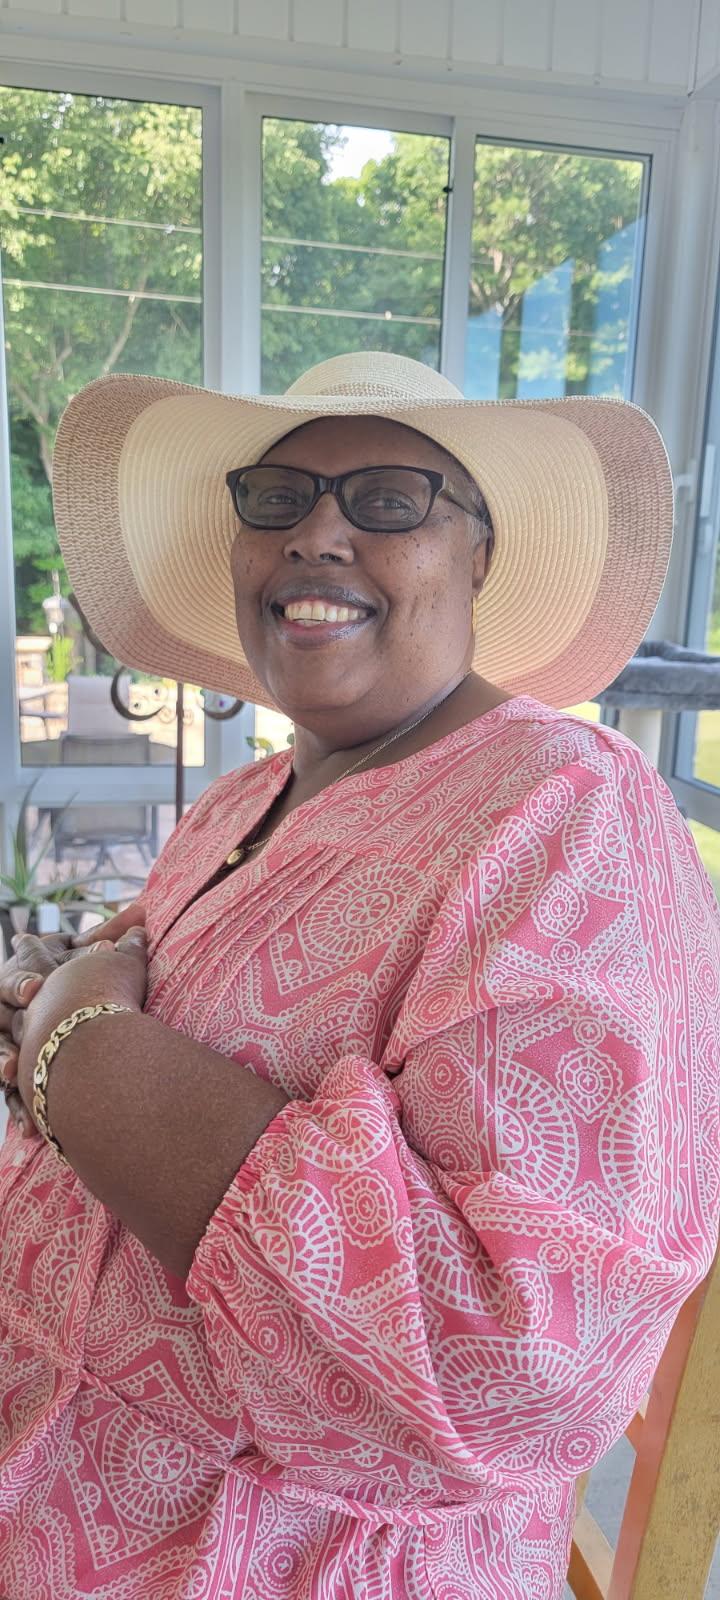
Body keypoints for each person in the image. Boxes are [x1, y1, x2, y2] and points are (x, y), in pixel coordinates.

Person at [0, 351, 718, 1600]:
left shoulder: (565, 811)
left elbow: (510, 1360)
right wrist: (64, 1012)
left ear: (478, 555)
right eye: (275, 497)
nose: (315, 534)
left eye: (388, 497)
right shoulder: (243, 797)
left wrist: (86, 1053)